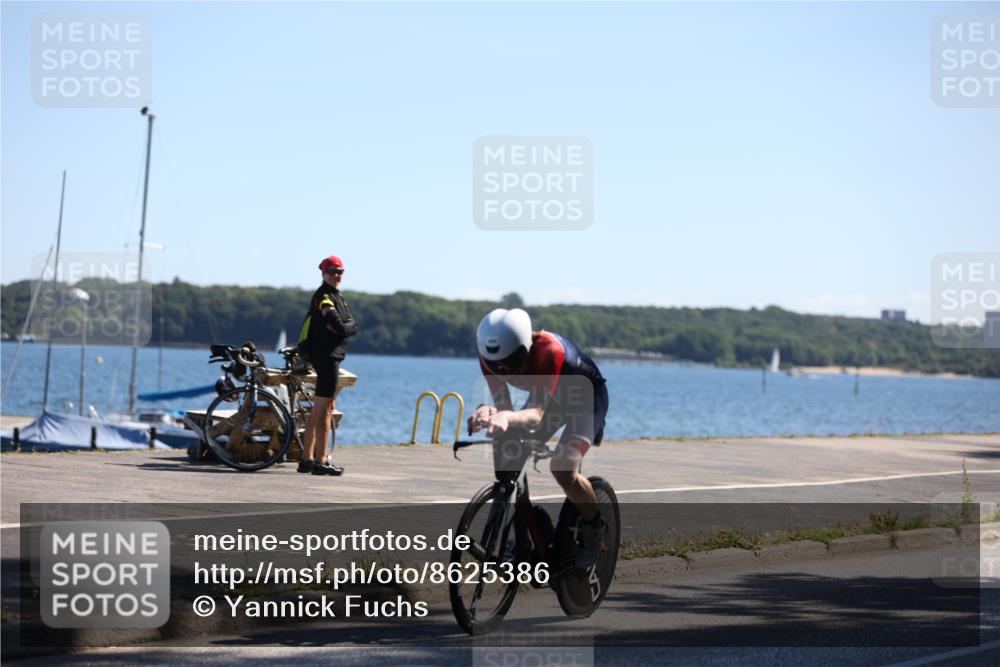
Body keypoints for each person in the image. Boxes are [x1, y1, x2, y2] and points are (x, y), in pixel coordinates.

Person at [467, 308, 609, 568]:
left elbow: (537, 414)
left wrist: (507, 417)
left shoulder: (548, 351)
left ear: (526, 348)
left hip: (586, 400)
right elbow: (504, 404)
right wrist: (487, 411)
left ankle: (595, 528)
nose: (502, 371)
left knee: (563, 468)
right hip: (550, 399)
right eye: (496, 365)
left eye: (510, 363)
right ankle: (524, 541)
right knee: (512, 454)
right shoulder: (490, 356)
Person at [298, 255, 357, 476]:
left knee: (318, 407)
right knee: (325, 409)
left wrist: (345, 326)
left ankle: (306, 458)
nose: (337, 275)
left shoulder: (337, 297)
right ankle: (321, 461)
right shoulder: (323, 297)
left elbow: (350, 325)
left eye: (340, 271)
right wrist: (344, 327)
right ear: (323, 273)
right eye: (332, 271)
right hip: (327, 356)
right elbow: (341, 327)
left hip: (329, 355)